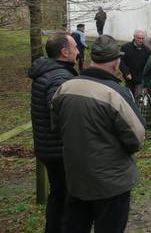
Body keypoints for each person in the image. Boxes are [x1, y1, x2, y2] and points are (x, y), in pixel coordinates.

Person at [52, 34, 145, 233]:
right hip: (111, 184)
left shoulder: (65, 88)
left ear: (91, 59)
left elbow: (57, 127)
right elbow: (136, 138)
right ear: (115, 64)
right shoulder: (116, 93)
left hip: (76, 178)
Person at [28, 32, 79, 233]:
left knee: (58, 195)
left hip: (49, 147)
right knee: (65, 199)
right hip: (60, 150)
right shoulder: (59, 77)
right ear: (64, 51)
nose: (78, 50)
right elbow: (58, 110)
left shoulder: (50, 71)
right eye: (75, 47)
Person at [120, 30, 151, 97]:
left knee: (137, 97)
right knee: (128, 96)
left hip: (140, 79)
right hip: (129, 77)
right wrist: (126, 72)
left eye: (142, 38)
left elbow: (149, 65)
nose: (140, 40)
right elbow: (121, 61)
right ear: (134, 37)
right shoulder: (125, 47)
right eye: (139, 38)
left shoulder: (147, 50)